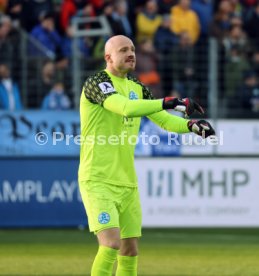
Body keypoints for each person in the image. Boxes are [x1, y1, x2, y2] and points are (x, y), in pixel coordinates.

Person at [78, 35, 215, 276]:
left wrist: (190, 125)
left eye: (132, 49)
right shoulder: (97, 82)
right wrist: (169, 101)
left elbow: (163, 120)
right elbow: (125, 108)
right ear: (108, 57)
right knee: (111, 244)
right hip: (97, 179)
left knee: (129, 250)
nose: (131, 53)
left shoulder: (138, 87)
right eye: (123, 50)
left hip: (127, 182)